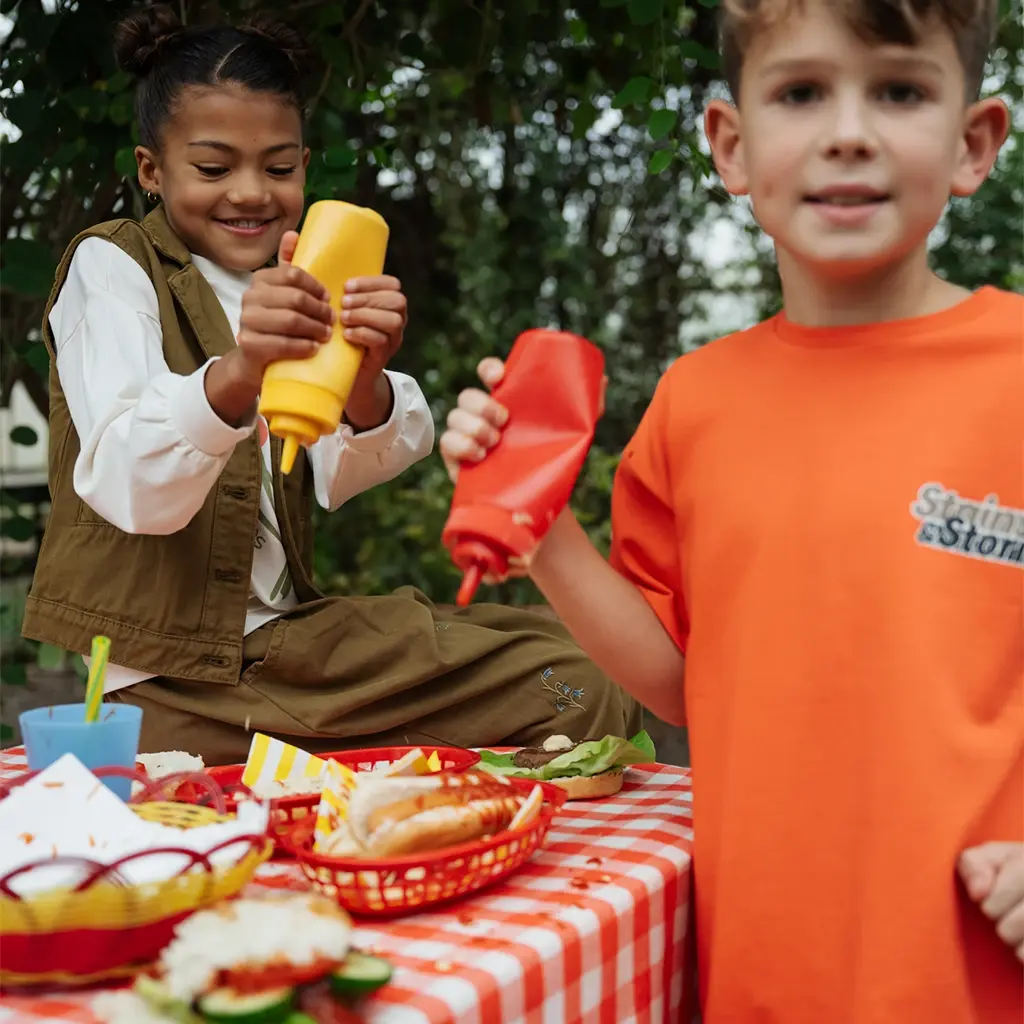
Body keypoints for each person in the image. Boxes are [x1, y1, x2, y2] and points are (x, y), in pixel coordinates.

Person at [441, 0, 1023, 1020]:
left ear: (972, 143)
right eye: (800, 92)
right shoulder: (694, 403)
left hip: (972, 974)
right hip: (765, 969)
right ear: (731, 144)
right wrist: (543, 528)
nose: (848, 130)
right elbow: (677, 680)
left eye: (897, 89)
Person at [22, 5, 640, 765]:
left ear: (306, 166)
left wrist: (362, 377)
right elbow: (128, 485)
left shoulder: (297, 276)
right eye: (213, 168)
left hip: (279, 642)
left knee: (567, 642)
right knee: (575, 683)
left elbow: (333, 477)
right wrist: (242, 372)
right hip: (171, 678)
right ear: (152, 170)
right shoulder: (112, 266)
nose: (250, 192)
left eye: (279, 168)